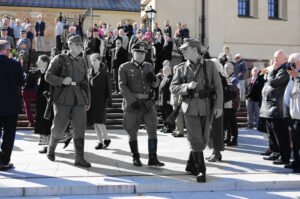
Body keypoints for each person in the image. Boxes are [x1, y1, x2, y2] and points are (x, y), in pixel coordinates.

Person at [170, 39, 223, 183]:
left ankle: (190, 165)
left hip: (207, 106)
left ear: (194, 49)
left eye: (185, 49)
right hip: (190, 107)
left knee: (203, 140)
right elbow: (173, 87)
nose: (183, 52)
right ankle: (201, 170)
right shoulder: (181, 68)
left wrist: (218, 106)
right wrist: (186, 86)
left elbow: (218, 87)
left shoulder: (210, 65)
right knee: (196, 139)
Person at [45, 35, 91, 168]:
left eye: (81, 45)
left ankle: (79, 158)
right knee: (59, 127)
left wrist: (88, 100)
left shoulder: (82, 61)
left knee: (80, 128)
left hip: (79, 98)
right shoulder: (59, 59)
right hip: (62, 97)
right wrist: (61, 81)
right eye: (78, 45)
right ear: (70, 45)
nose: (81, 48)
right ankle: (51, 149)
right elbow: (48, 75)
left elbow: (85, 82)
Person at [119, 40, 164, 167]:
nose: (140, 55)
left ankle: (153, 158)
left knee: (153, 129)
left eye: (143, 53)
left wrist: (157, 79)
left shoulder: (149, 66)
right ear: (132, 52)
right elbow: (122, 86)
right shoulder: (124, 67)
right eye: (138, 52)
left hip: (148, 104)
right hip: (133, 104)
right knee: (132, 131)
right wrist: (131, 101)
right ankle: (136, 157)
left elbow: (153, 84)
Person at [261, 50, 290, 165]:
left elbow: (273, 82)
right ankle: (275, 152)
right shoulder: (276, 70)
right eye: (274, 57)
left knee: (280, 134)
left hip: (277, 108)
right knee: (271, 133)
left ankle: (284, 157)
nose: (275, 60)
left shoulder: (284, 71)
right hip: (269, 107)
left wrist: (270, 72)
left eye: (278, 58)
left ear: (285, 60)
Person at [0, 40, 24, 170]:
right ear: (8, 51)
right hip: (10, 105)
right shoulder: (15, 65)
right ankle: (4, 161)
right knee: (9, 135)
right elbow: (21, 82)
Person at [87, 53, 112, 150]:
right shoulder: (89, 72)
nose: (93, 62)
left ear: (99, 61)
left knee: (100, 121)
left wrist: (109, 99)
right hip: (91, 100)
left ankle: (107, 139)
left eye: (95, 60)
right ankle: (100, 142)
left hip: (101, 100)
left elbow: (108, 87)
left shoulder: (104, 73)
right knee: (95, 122)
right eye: (92, 60)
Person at [34, 55, 52, 153]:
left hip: (47, 102)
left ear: (45, 62)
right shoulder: (40, 72)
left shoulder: (49, 72)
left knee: (46, 123)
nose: (38, 63)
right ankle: (47, 145)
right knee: (43, 123)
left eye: (39, 61)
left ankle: (48, 146)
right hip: (41, 102)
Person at [285, 53, 300, 173]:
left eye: (292, 62)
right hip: (294, 114)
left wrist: (297, 76)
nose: (290, 65)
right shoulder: (293, 76)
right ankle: (296, 161)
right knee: (295, 142)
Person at [223, 62, 240, 146]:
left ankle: (234, 139)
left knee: (232, 122)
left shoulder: (234, 78)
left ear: (233, 69)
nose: (226, 69)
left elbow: (231, 86)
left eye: (229, 68)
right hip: (226, 103)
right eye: (225, 68)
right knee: (227, 122)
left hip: (232, 103)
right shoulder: (226, 77)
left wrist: (224, 85)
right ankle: (227, 137)